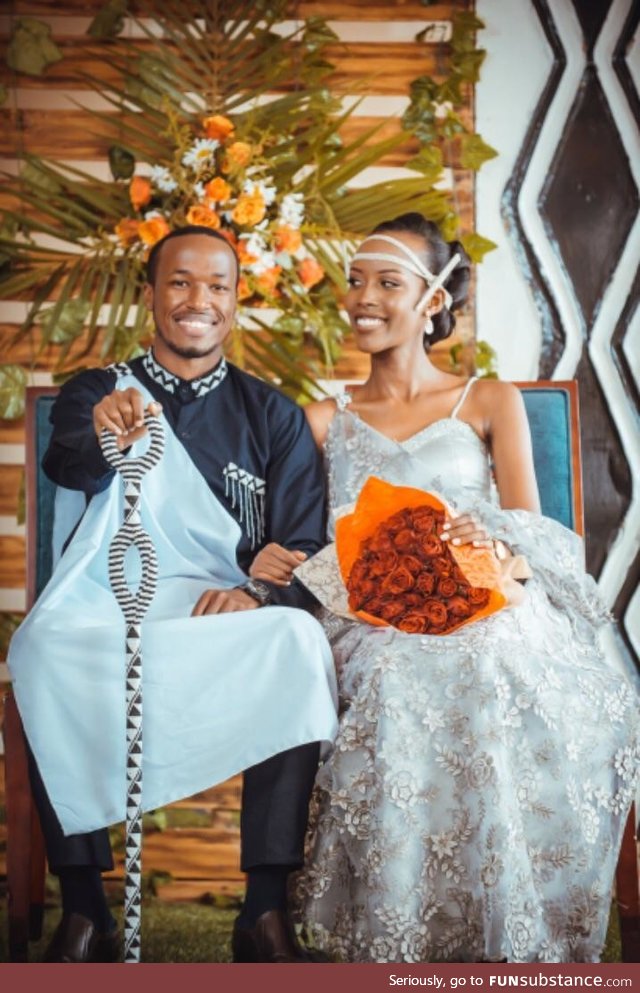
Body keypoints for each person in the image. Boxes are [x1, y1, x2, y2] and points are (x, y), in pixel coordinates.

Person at [248, 213, 640, 963]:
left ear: (432, 301)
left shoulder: (489, 401)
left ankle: (505, 919)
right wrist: (277, 561)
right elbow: (304, 545)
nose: (364, 297)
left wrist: (492, 546)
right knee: (396, 676)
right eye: (356, 281)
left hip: (487, 603)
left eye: (388, 282)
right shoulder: (325, 418)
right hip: (372, 619)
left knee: (489, 660)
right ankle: (402, 928)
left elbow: (537, 540)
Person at [7, 225, 339, 964]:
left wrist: (255, 589)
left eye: (217, 285)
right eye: (181, 282)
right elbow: (69, 464)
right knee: (40, 645)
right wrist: (102, 432)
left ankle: (262, 911)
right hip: (107, 601)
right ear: (151, 294)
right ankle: (86, 911)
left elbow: (306, 544)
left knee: (298, 639)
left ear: (235, 300)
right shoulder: (99, 389)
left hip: (215, 613)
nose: (199, 300)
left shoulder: (273, 415)